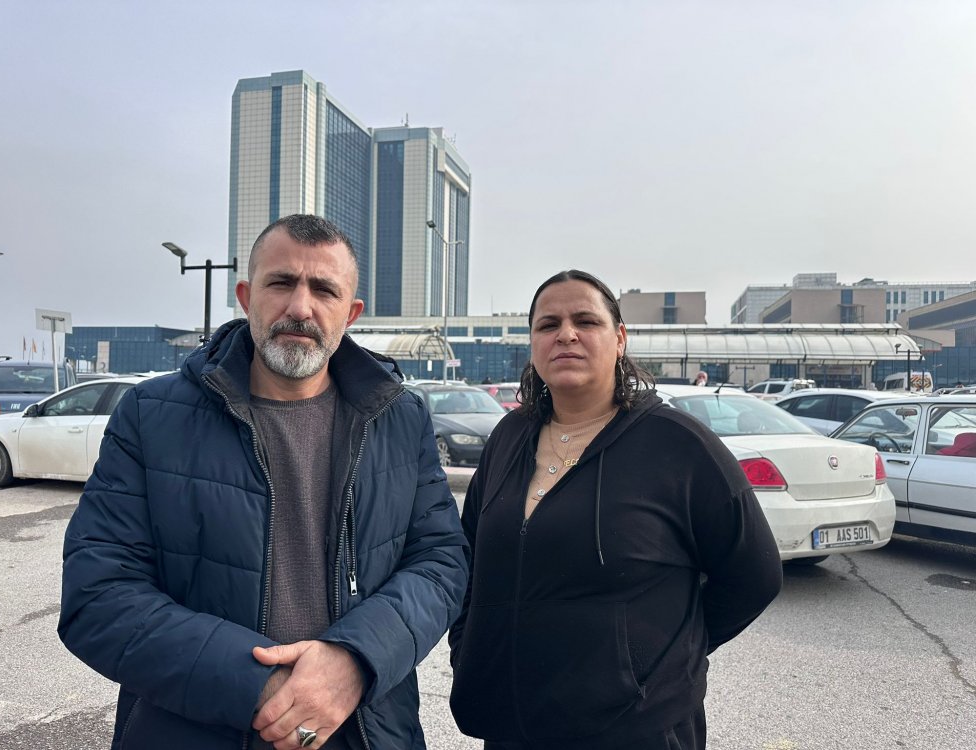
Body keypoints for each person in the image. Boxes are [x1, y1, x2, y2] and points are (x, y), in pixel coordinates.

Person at [59, 214, 469, 750]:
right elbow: (98, 594)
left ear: (351, 313)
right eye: (281, 283)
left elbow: (441, 562)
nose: (300, 307)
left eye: (324, 289)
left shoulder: (399, 417)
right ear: (246, 297)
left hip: (366, 729)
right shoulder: (151, 416)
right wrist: (262, 687)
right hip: (193, 729)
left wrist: (355, 660)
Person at [448, 270, 781, 750]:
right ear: (532, 343)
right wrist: (468, 648)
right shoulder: (509, 437)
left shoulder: (678, 444)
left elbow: (755, 575)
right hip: (512, 726)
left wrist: (657, 662)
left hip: (636, 729)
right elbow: (469, 559)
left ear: (619, 338)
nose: (566, 334)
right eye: (548, 324)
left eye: (586, 321)